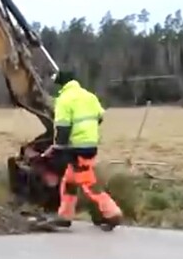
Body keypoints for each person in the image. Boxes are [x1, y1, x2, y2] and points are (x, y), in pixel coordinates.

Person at [41, 70, 123, 231]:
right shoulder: (89, 96)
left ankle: (112, 213)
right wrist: (87, 132)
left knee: (88, 183)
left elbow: (63, 128)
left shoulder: (64, 99)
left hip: (77, 148)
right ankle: (65, 216)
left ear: (61, 84)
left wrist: (57, 147)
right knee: (70, 182)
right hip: (90, 144)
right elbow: (99, 116)